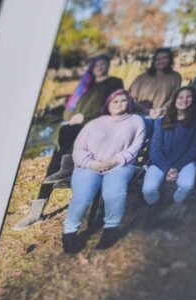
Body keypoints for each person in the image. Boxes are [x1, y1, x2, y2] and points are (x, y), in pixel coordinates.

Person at [13, 54, 124, 230]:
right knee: (54, 165)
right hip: (75, 128)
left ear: (108, 66)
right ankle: (35, 214)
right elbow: (68, 112)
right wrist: (73, 117)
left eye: (103, 64)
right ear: (92, 67)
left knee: (72, 155)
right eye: (97, 64)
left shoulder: (114, 83)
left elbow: (115, 109)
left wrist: (85, 117)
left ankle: (73, 179)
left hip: (96, 129)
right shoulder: (85, 86)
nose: (100, 67)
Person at [62, 89, 145, 252]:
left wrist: (116, 160)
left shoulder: (136, 120)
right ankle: (69, 233)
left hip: (120, 165)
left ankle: (111, 229)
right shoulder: (94, 123)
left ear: (129, 103)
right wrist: (92, 164)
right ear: (108, 104)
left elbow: (136, 146)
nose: (120, 104)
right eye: (115, 101)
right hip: (89, 166)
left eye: (123, 100)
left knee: (114, 193)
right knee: (82, 197)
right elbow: (78, 149)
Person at [141, 87, 196, 218]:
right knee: (148, 190)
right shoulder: (162, 120)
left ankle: (175, 203)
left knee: (187, 185)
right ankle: (156, 205)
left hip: (186, 161)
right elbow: (155, 149)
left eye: (188, 97)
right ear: (175, 100)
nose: (184, 100)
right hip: (160, 161)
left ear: (193, 100)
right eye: (180, 97)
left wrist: (176, 168)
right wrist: (167, 169)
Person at [128, 47, 182, 133]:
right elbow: (131, 98)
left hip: (164, 115)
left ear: (170, 59)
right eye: (158, 59)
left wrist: (163, 109)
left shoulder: (175, 77)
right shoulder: (142, 78)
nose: (161, 61)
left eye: (164, 58)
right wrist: (146, 110)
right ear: (153, 61)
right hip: (142, 116)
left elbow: (175, 96)